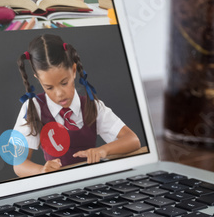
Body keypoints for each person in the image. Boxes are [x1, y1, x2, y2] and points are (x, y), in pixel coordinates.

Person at [12, 34, 139, 177]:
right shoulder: (34, 108)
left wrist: (103, 150)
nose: (59, 94)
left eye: (64, 83)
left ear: (73, 71)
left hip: (93, 180)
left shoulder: (92, 106)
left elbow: (133, 140)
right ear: (38, 80)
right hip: (58, 186)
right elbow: (19, 165)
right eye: (49, 87)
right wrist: (41, 171)